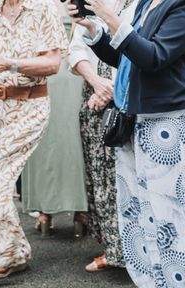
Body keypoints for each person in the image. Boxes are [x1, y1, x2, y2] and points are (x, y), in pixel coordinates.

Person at [72, 0, 185, 288]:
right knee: (142, 212)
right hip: (137, 118)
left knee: (177, 215)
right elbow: (127, 57)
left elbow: (154, 57)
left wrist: (109, 16)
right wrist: (94, 30)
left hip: (173, 119)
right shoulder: (146, 4)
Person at [0, 0, 66, 288]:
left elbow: (53, 64)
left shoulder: (43, 9)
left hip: (30, 106)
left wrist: (11, 63)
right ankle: (15, 252)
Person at [68, 0, 132, 271]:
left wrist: (114, 88)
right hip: (94, 94)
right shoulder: (93, 1)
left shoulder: (139, 3)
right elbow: (75, 51)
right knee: (99, 174)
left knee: (125, 174)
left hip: (128, 94)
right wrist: (96, 82)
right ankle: (112, 247)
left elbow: (135, 46)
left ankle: (132, 250)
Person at [21, 2, 89, 238]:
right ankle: (81, 210)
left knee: (46, 138)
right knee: (76, 136)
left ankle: (45, 213)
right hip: (76, 67)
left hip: (46, 69)